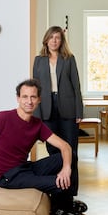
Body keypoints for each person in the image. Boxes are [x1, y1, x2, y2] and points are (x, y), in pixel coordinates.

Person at [0, 78, 86, 215]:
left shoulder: (37, 124)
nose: (29, 101)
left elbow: (65, 146)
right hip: (7, 176)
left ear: (39, 100)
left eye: (33, 97)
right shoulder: (2, 118)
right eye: (25, 97)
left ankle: (65, 203)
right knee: (59, 182)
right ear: (18, 98)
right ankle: (58, 209)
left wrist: (66, 168)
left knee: (69, 156)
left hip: (25, 168)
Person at [33, 25, 83, 160]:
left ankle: (71, 179)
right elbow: (35, 89)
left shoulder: (69, 59)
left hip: (68, 107)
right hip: (46, 108)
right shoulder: (38, 60)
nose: (54, 41)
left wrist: (79, 112)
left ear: (61, 41)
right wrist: (36, 114)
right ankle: (57, 178)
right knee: (52, 146)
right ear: (46, 40)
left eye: (57, 38)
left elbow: (76, 87)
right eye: (51, 37)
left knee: (70, 145)